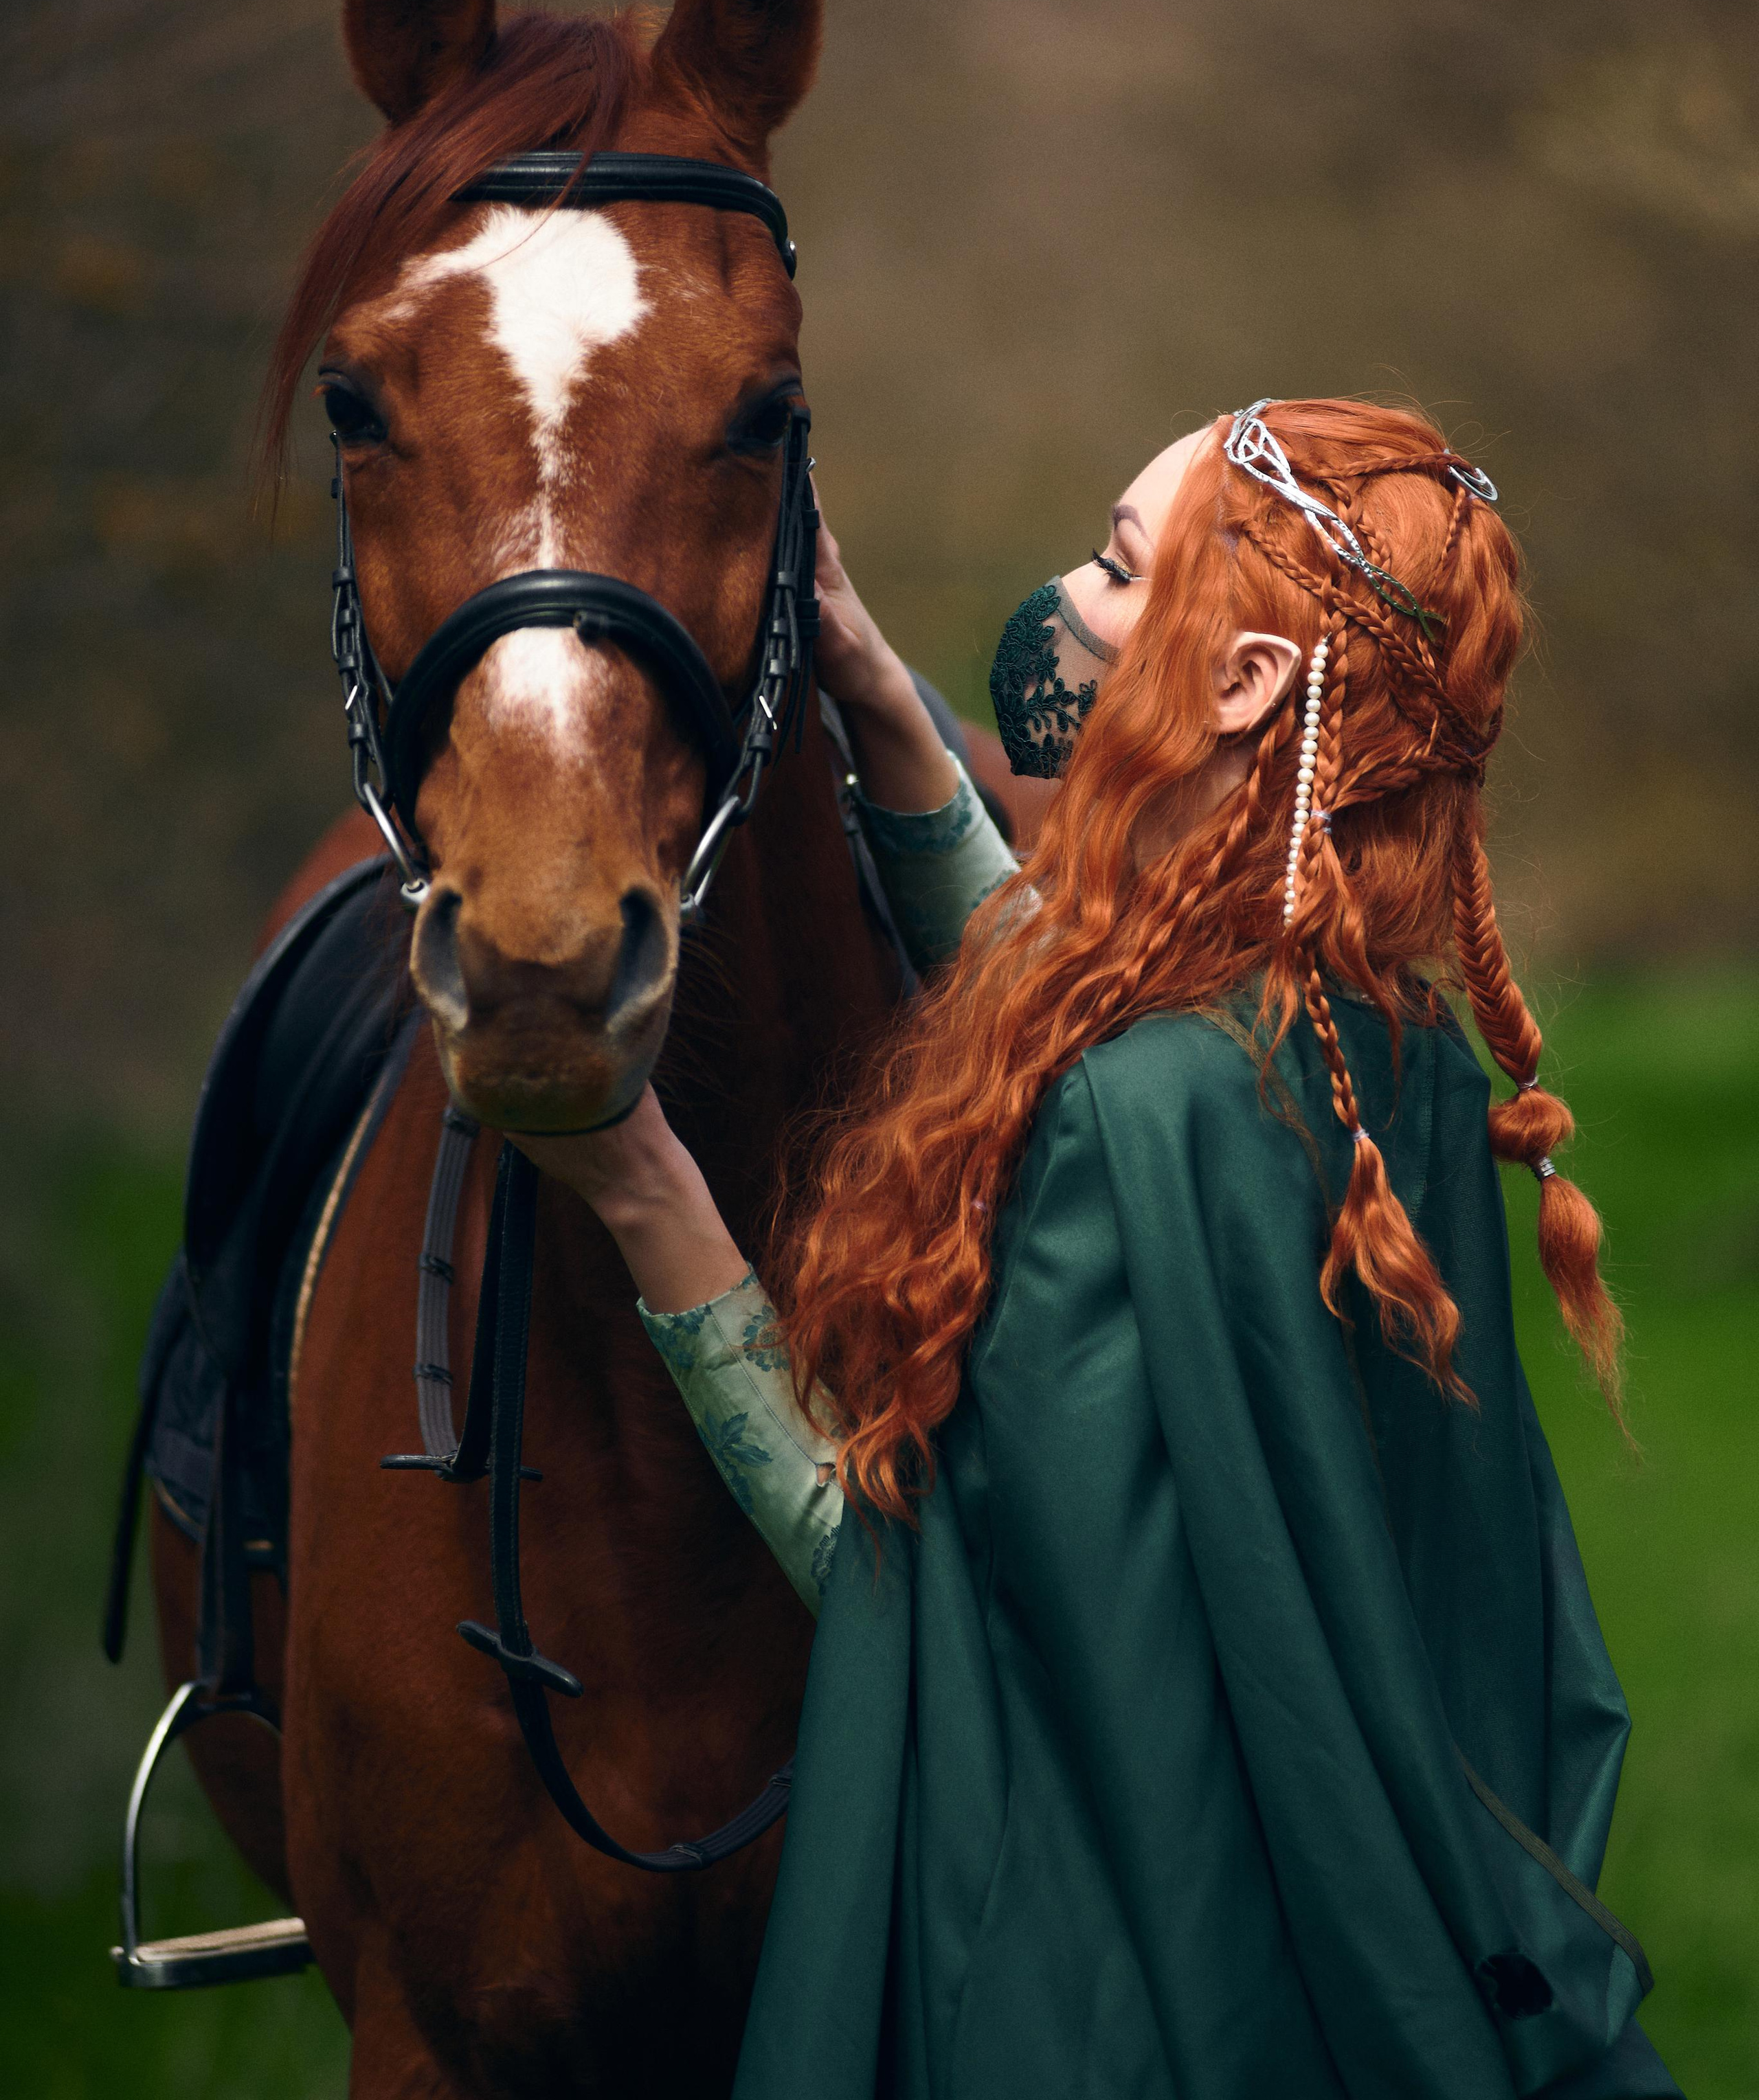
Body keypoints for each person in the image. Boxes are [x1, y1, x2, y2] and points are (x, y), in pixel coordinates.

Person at [519, 397, 1677, 2100]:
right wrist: (875, 699)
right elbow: (1066, 984)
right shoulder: (1386, 1053)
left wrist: (635, 1183)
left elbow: (906, 1595)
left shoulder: (1127, 1128)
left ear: (1241, 686)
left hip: (1099, 2014)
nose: (1063, 601)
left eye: (1120, 568)